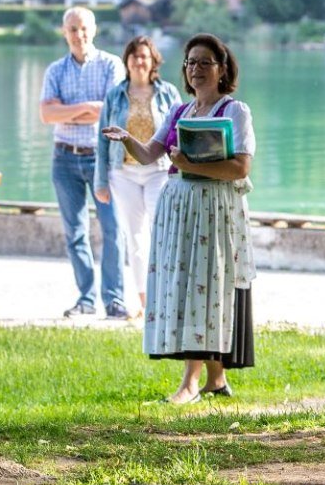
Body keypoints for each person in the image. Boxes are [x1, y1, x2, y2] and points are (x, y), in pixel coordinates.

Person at [103, 33, 255, 405]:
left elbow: (240, 166)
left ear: (221, 69)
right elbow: (150, 154)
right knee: (192, 285)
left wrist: (189, 164)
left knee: (208, 286)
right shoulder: (179, 112)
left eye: (205, 62)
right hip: (181, 208)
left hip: (215, 208)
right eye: (190, 62)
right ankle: (215, 381)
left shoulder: (235, 111)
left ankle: (190, 384)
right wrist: (126, 139)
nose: (196, 69)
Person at [40, 6, 127, 318]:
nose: (79, 35)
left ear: (94, 30)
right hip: (63, 158)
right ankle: (86, 300)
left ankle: (115, 299)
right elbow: (46, 114)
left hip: (102, 158)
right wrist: (89, 107)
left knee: (113, 229)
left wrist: (67, 109)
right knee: (75, 233)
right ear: (65, 33)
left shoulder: (111, 65)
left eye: (83, 28)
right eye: (72, 29)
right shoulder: (55, 71)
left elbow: (112, 111)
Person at [94, 35, 184, 320]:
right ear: (127, 61)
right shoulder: (115, 95)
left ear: (153, 60)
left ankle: (165, 298)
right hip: (123, 174)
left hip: (158, 171)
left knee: (162, 232)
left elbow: (182, 132)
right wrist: (101, 181)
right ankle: (146, 304)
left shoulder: (168, 93)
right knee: (134, 237)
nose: (138, 60)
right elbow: (103, 140)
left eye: (144, 55)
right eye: (134, 56)